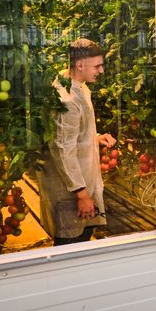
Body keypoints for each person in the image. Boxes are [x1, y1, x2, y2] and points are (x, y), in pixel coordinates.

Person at [38, 39, 116, 246]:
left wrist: (94, 137)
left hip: (81, 177)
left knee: (81, 236)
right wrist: (81, 194)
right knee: (71, 242)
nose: (101, 70)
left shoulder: (75, 84)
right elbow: (63, 149)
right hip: (71, 188)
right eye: (97, 65)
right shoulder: (68, 99)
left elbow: (69, 135)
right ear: (80, 65)